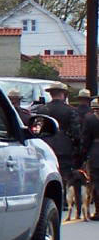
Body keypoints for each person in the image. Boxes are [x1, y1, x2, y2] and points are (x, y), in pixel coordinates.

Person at [34, 83, 82, 213]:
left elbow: (36, 129)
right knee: (64, 175)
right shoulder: (70, 110)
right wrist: (77, 148)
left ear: (51, 94)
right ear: (63, 94)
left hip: (46, 146)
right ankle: (63, 201)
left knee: (46, 174)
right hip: (64, 147)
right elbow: (76, 132)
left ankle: (48, 198)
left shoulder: (42, 110)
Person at [82, 98, 99, 221]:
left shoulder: (89, 119)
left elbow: (85, 139)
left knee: (96, 183)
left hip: (95, 152)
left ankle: (98, 211)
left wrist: (82, 155)